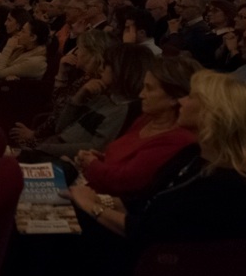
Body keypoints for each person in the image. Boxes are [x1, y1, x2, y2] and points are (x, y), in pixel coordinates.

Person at [68, 70, 246, 246]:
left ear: (213, 114)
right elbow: (145, 201)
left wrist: (92, 206)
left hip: (153, 263)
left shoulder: (232, 186)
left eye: (192, 97)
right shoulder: (192, 154)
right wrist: (95, 199)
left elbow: (149, 231)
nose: (182, 100)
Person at [72, 56, 199, 197]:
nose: (141, 94)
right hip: (90, 189)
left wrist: (92, 164)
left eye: (149, 89)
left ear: (173, 98)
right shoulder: (146, 118)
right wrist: (98, 159)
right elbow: (124, 161)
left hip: (105, 202)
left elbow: (125, 181)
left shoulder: (178, 139)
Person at [12, 43, 152, 159]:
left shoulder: (122, 110)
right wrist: (79, 97)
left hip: (62, 157)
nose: (101, 69)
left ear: (122, 70)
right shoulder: (102, 97)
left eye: (106, 65)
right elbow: (61, 127)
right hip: (52, 146)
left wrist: (43, 149)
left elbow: (96, 148)